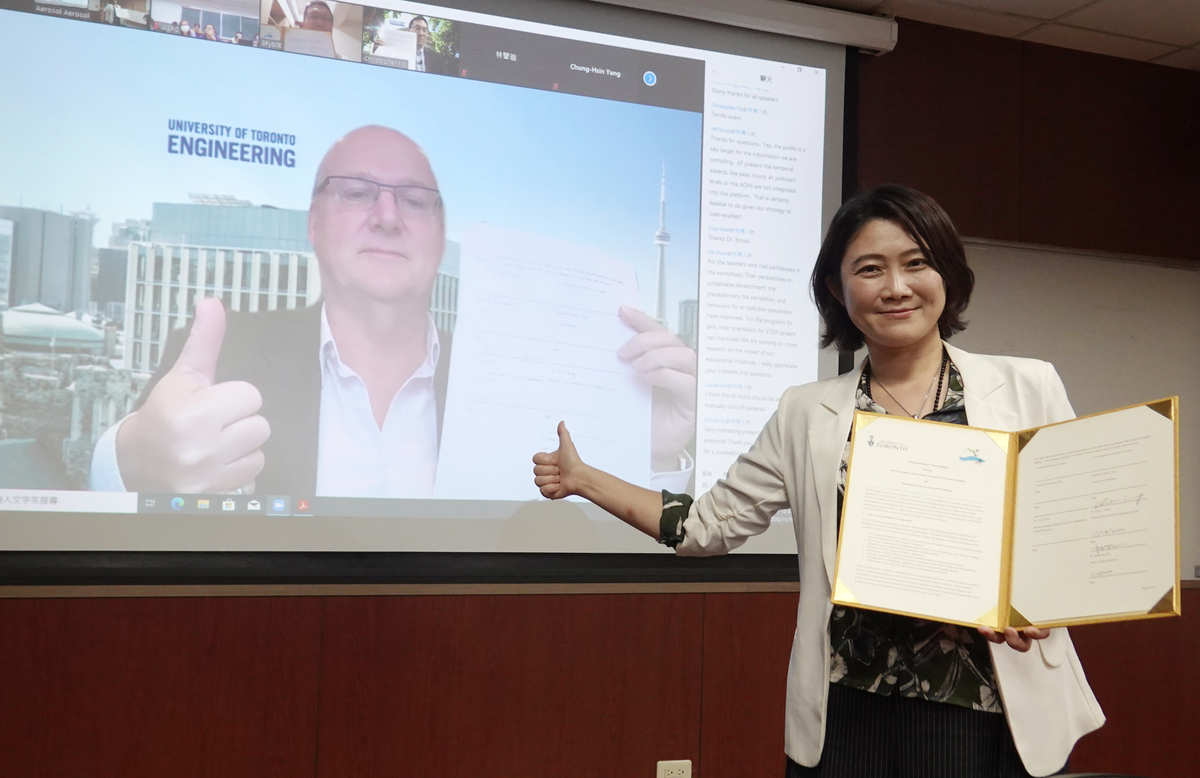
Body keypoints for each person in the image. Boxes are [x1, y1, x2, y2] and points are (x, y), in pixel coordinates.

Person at [533, 185, 1104, 777]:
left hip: (985, 708)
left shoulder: (1026, 387)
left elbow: (1069, 535)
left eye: (917, 262)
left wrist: (1041, 602)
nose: (897, 287)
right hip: (846, 711)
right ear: (837, 288)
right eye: (870, 269)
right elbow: (704, 526)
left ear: (946, 272)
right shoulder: (806, 411)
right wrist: (584, 479)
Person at [91, 125, 695, 499]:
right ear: (314, 225)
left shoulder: (520, 385)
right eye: (356, 192)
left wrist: (657, 455)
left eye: (414, 200)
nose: (386, 215)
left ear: (441, 236)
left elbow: (577, 541)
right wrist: (134, 459)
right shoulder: (216, 360)